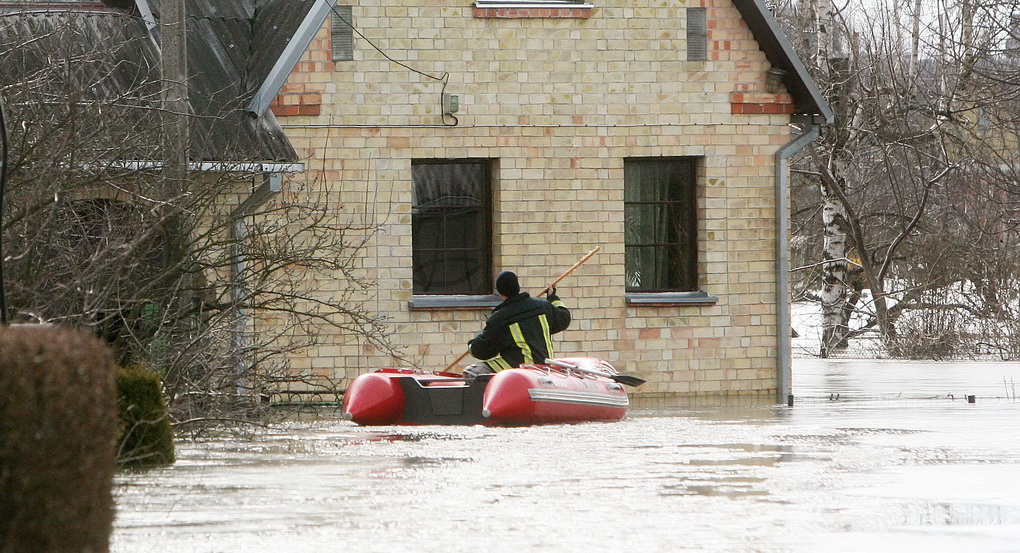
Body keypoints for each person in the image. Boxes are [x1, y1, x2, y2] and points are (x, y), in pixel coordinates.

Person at [463, 270, 571, 380]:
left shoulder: (500, 318)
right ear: (517, 287)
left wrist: (472, 345)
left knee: (471, 372)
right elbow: (564, 318)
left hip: (519, 368)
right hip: (545, 367)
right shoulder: (543, 306)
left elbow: (481, 351)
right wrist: (552, 297)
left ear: (500, 293)